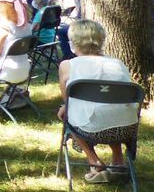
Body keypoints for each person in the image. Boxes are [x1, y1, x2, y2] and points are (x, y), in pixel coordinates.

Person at [57, 20, 142, 183]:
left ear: (73, 43)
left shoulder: (68, 65)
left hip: (91, 130)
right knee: (113, 109)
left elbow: (67, 100)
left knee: (67, 116)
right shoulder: (118, 64)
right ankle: (118, 161)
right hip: (127, 128)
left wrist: (63, 107)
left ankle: (94, 162)